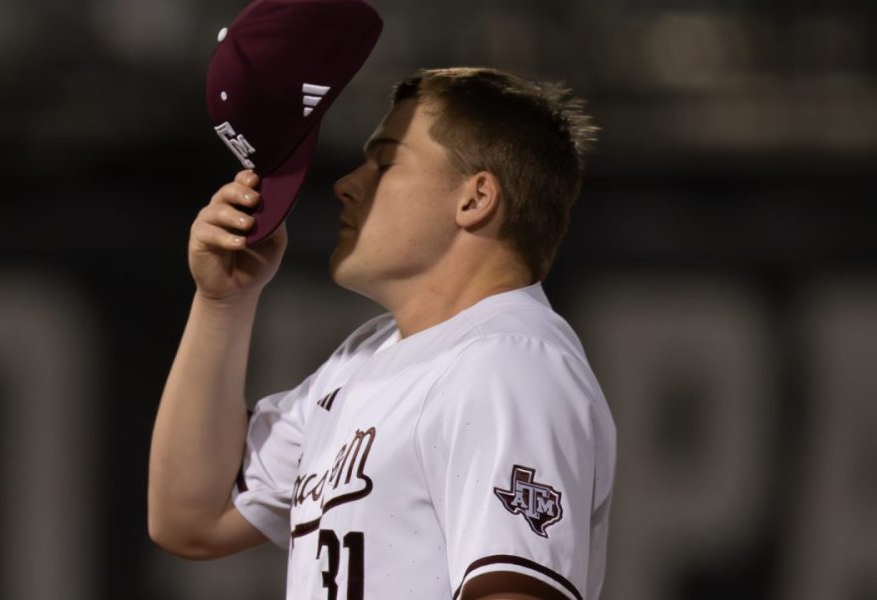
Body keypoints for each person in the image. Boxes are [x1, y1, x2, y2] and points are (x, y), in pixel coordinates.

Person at [148, 67, 616, 600]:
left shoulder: (507, 362)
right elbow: (192, 517)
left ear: (475, 198)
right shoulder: (363, 360)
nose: (347, 184)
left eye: (386, 162)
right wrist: (223, 302)